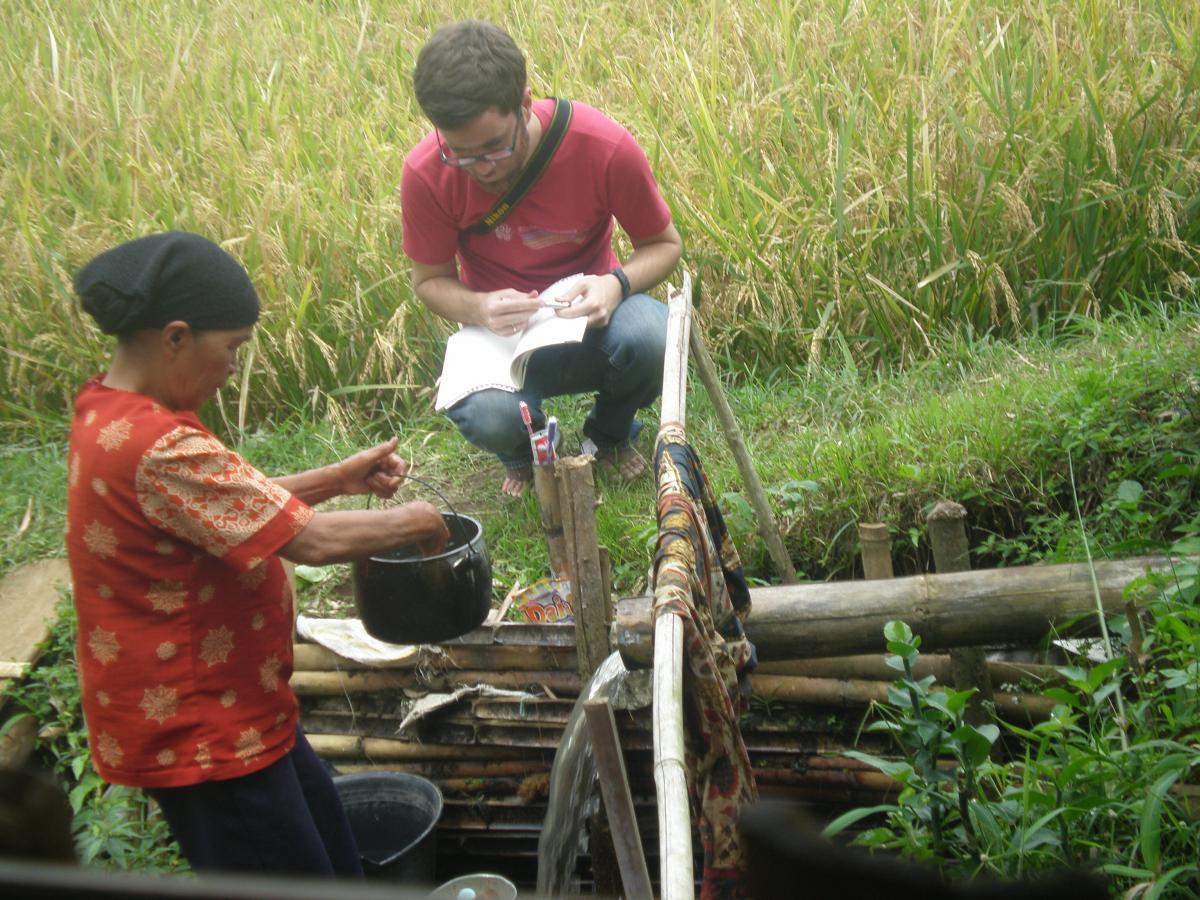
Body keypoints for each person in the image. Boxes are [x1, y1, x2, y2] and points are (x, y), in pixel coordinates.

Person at [64, 231, 450, 877]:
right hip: (204, 730)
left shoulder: (109, 413)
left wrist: (334, 478)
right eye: (233, 347)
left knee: (330, 865)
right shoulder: (159, 445)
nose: (235, 366)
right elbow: (312, 540)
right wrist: (417, 521)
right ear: (177, 336)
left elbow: (224, 509)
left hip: (234, 709)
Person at [401, 19, 684, 496]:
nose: (482, 169)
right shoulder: (426, 174)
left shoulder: (603, 146)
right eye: (462, 154)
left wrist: (615, 285)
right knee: (487, 414)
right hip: (502, 336)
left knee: (655, 337)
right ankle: (520, 451)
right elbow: (429, 280)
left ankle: (609, 435)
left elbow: (665, 245)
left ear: (525, 102)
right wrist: (480, 308)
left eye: (495, 146)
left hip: (595, 317)